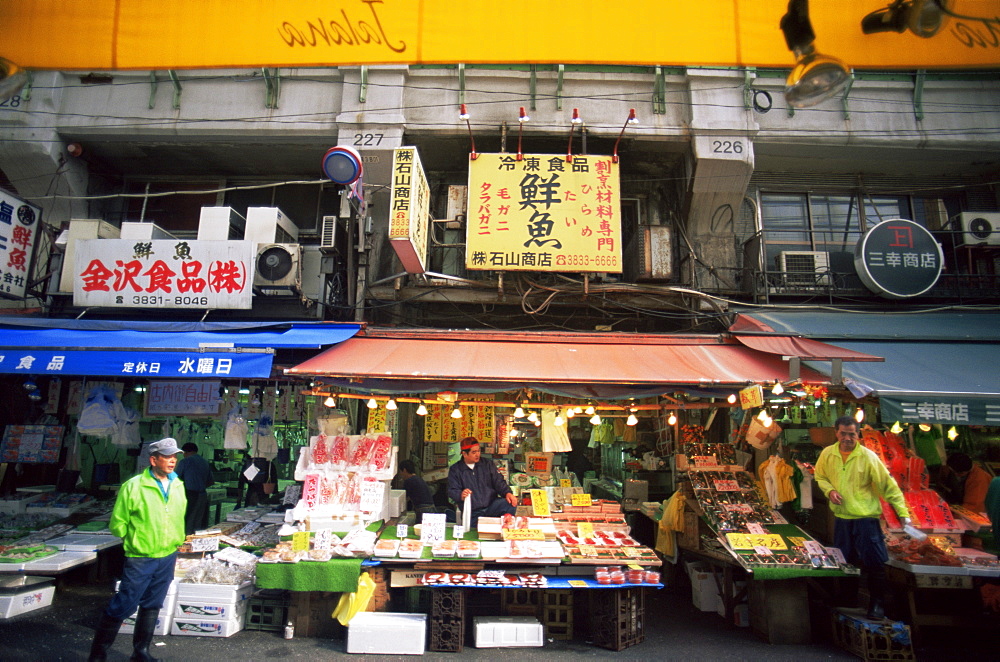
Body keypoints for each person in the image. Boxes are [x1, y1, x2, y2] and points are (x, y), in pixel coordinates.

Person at [88, 438, 187, 662]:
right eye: (167, 457)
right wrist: (135, 540)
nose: (172, 461)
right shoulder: (133, 486)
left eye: (175, 457)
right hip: (141, 556)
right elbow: (118, 523)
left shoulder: (177, 484)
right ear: (153, 460)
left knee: (152, 604)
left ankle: (141, 652)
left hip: (168, 554)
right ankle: (97, 655)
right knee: (124, 604)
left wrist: (176, 539)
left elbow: (178, 515)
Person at [815, 416, 911, 620]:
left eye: (852, 434)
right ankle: (848, 598)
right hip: (842, 517)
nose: (848, 438)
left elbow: (888, 485)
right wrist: (830, 491)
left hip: (866, 517)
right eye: (843, 433)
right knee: (845, 558)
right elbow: (820, 476)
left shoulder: (868, 457)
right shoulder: (827, 454)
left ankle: (878, 604)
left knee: (874, 561)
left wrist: (902, 512)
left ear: (858, 434)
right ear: (836, 433)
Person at [447, 437, 517, 528]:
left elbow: (498, 481)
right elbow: (452, 490)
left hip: (491, 506)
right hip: (473, 512)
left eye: (478, 451)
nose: (477, 455)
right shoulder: (456, 469)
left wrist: (507, 493)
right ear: (464, 453)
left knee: (509, 503)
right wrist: (461, 495)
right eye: (474, 452)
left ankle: (507, 527)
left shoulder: (487, 464)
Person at [175, 442, 215, 534]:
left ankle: (186, 543)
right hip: (202, 495)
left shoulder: (185, 461)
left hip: (190, 495)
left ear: (185, 452)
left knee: (188, 521)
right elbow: (211, 481)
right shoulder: (205, 462)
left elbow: (175, 479)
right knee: (198, 522)